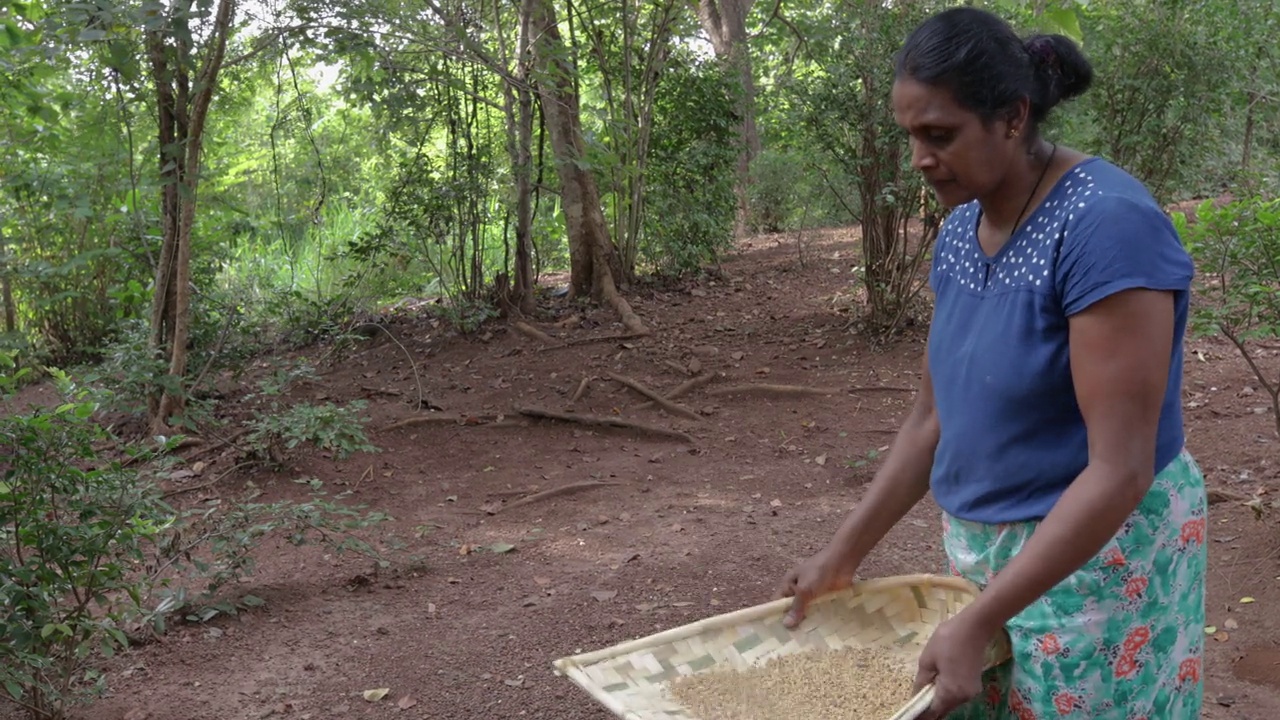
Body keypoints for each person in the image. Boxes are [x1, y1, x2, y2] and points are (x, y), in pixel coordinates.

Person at [776, 7, 1207, 720]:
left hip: (1101, 559)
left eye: (939, 135)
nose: (918, 157)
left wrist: (979, 620)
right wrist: (842, 554)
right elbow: (932, 417)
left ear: (1012, 116)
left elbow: (1120, 468)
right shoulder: (958, 232)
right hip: (982, 554)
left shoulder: (1106, 226)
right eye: (911, 135)